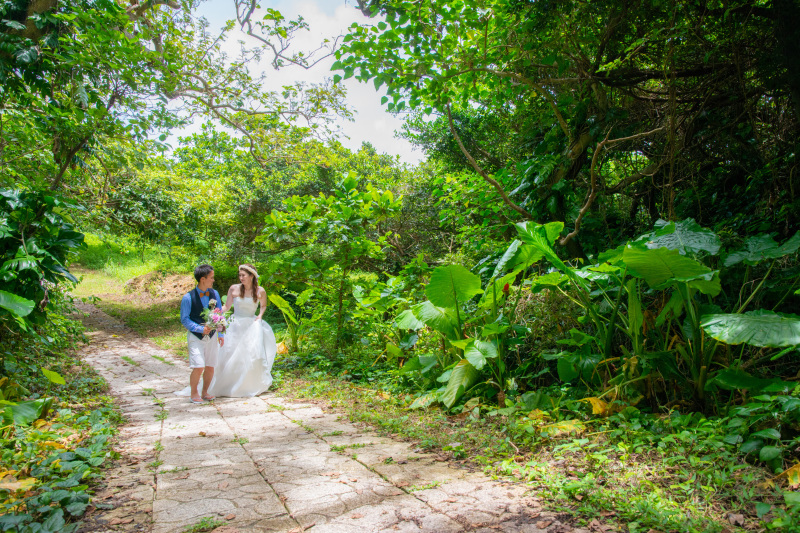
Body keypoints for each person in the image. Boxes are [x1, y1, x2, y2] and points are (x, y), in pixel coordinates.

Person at [207, 263, 276, 397]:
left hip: (251, 324)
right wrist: (216, 314)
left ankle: (248, 384)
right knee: (228, 352)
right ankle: (227, 383)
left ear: (251, 276)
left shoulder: (260, 291)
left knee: (251, 354)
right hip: (235, 323)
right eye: (239, 275)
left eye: (243, 275)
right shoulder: (234, 288)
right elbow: (227, 306)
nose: (241, 278)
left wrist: (260, 316)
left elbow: (263, 306)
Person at [179, 264, 224, 404]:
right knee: (198, 366)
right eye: (211, 278)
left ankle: (205, 392)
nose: (213, 280)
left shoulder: (214, 293)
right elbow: (184, 319)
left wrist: (221, 334)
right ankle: (193, 394)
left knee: (210, 365)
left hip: (212, 336)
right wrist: (199, 329)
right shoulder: (188, 297)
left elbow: (220, 313)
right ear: (203, 279)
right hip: (196, 336)